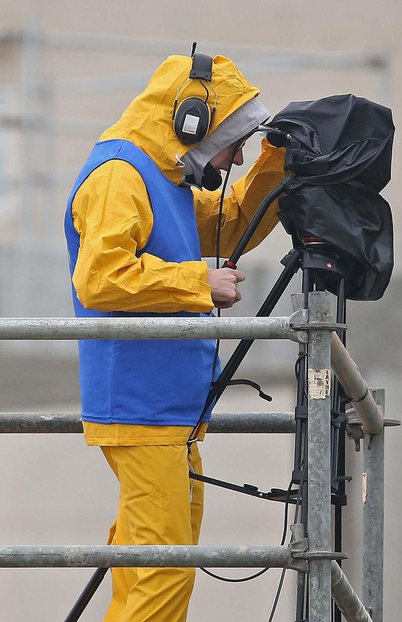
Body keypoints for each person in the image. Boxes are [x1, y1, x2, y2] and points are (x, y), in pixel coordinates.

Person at [64, 51, 287, 622]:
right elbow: (101, 277)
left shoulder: (161, 180)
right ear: (191, 122)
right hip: (143, 408)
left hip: (165, 411)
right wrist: (198, 283)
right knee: (165, 571)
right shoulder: (121, 175)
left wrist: (280, 162)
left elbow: (233, 223)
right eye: (235, 142)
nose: (237, 157)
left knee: (148, 567)